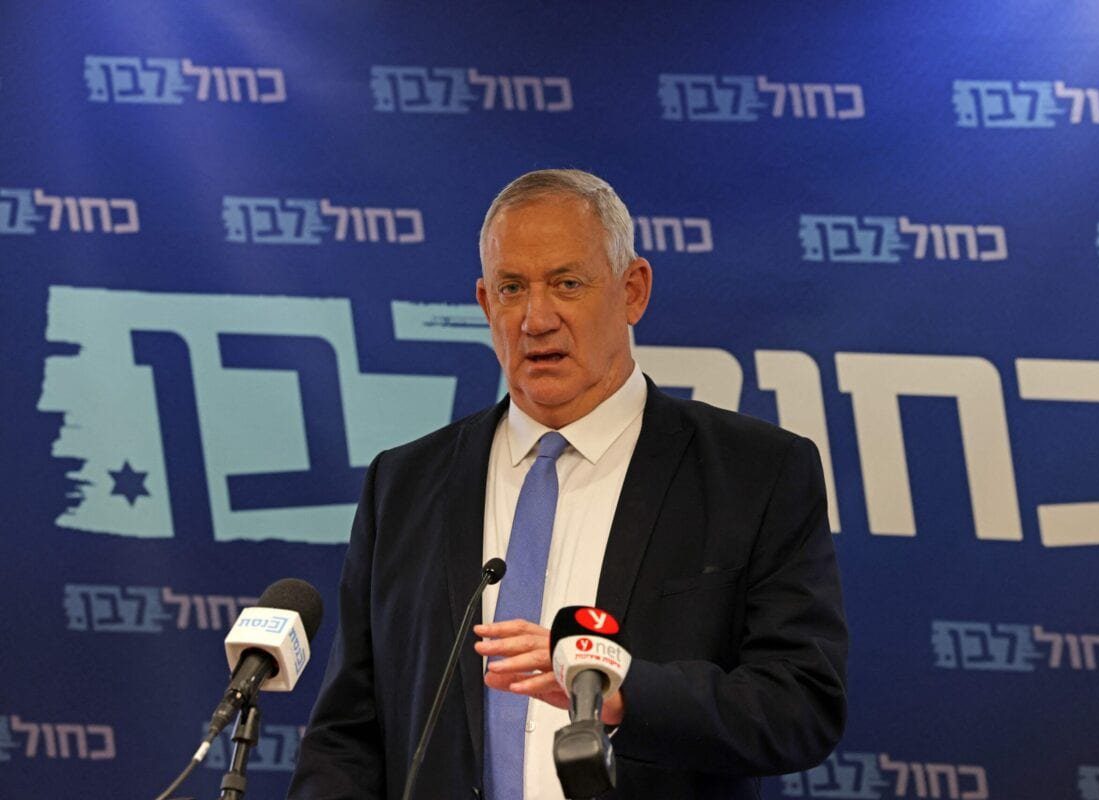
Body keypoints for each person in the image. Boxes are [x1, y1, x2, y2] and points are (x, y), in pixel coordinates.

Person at [288, 169, 847, 800]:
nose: (536, 319)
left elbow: (800, 706)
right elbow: (348, 733)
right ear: (483, 304)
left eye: (567, 283)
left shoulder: (755, 472)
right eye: (511, 288)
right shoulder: (406, 484)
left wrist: (625, 690)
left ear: (633, 291)